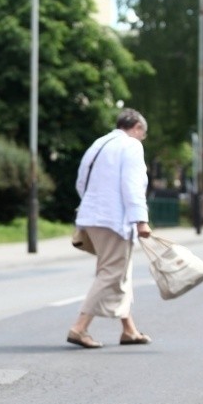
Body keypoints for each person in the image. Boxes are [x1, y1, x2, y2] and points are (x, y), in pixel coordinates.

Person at [67, 108, 153, 349]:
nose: (142, 138)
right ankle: (79, 327)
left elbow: (81, 181)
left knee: (118, 271)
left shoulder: (99, 143)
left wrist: (91, 206)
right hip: (113, 219)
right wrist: (141, 220)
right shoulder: (132, 146)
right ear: (136, 127)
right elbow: (133, 184)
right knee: (112, 273)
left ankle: (129, 330)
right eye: (142, 133)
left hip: (92, 216)